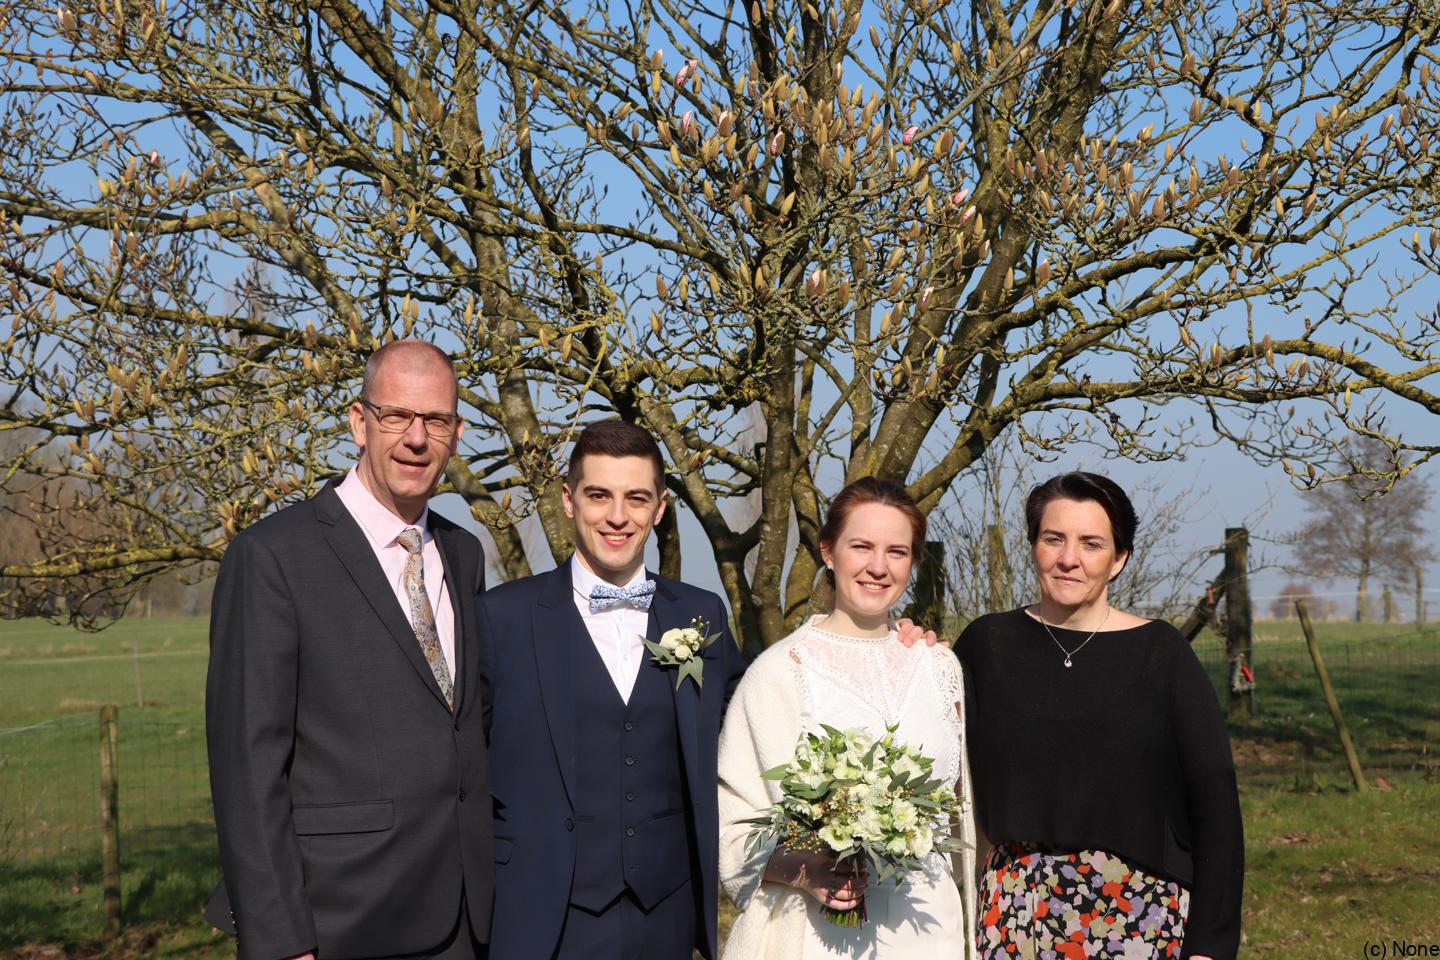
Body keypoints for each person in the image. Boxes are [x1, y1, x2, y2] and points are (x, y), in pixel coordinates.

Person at [204, 340, 493, 960]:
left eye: (435, 420)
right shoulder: (273, 556)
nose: (416, 438)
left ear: (457, 433)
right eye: (397, 416)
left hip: (466, 917)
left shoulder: (463, 554)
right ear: (359, 422)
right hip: (340, 919)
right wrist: (280, 937)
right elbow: (246, 766)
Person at [477, 419, 748, 959]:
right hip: (541, 917)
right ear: (568, 499)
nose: (618, 516)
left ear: (660, 508)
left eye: (636, 498)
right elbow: (461, 766)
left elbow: (755, 722)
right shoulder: (501, 618)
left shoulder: (701, 614)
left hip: (667, 917)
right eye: (599, 495)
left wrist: (883, 637)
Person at [954, 471, 1244, 960]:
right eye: (1053, 539)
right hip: (1015, 914)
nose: (1069, 558)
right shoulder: (987, 646)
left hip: (1137, 915)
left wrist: (1211, 945)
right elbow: (933, 755)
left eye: (1091, 544)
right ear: (1033, 546)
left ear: (1119, 559)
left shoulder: (1162, 654)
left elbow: (1215, 804)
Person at [717, 477, 977, 959]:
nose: (878, 567)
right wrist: (807, 871)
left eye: (897, 552)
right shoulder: (779, 672)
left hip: (929, 930)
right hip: (824, 936)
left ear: (914, 561)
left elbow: (960, 813)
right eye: (861, 547)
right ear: (828, 551)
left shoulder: (940, 667)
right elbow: (731, 831)